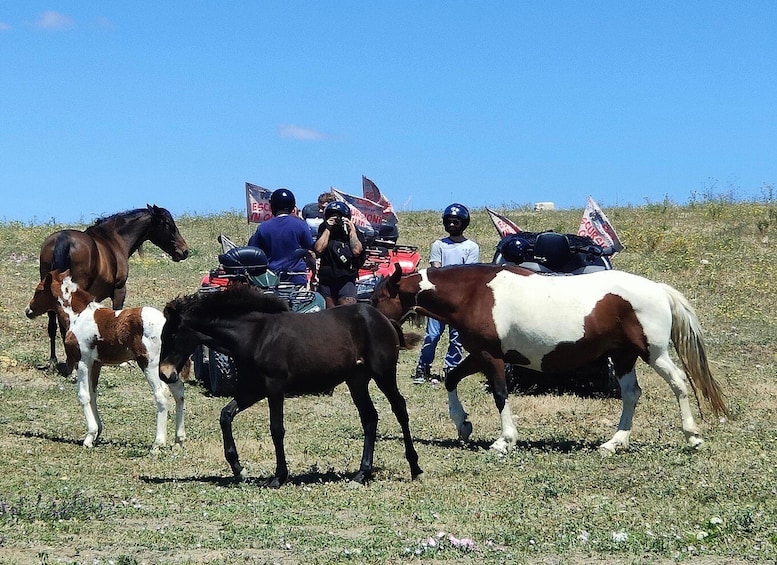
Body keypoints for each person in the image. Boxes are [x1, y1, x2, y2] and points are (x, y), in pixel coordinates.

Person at [413, 203, 480, 384]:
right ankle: (423, 366)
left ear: (463, 224)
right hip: (438, 299)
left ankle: (452, 366)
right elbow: (436, 270)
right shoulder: (439, 245)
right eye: (449, 222)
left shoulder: (471, 247)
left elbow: (469, 273)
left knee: (457, 337)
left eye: (456, 222)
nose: (452, 225)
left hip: (460, 301)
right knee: (432, 335)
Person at [247, 188, 313, 286]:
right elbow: (310, 248)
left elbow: (253, 252)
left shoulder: (263, 227)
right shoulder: (301, 225)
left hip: (272, 280)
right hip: (296, 278)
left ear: (272, 206)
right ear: (292, 206)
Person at [313, 200, 366, 308]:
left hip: (346, 279)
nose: (336, 219)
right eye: (332, 216)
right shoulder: (324, 229)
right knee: (328, 312)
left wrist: (352, 231)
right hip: (327, 280)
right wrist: (328, 229)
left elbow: (356, 251)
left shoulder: (354, 231)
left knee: (347, 310)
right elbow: (318, 249)